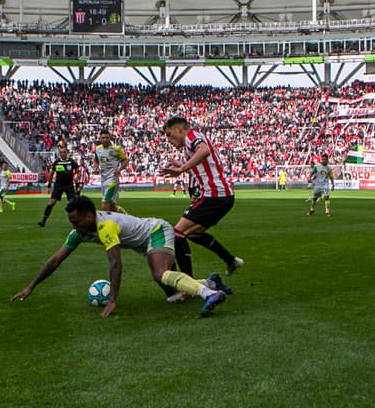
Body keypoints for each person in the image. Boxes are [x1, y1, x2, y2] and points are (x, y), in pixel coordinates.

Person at [12, 196, 229, 318]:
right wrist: (31, 286)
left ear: (90, 216)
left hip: (156, 231)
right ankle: (211, 281)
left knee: (159, 273)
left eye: (77, 221)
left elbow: (115, 263)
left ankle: (209, 293)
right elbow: (55, 260)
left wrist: (114, 299)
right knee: (172, 295)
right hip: (145, 243)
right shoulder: (80, 232)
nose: (74, 226)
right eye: (71, 222)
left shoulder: (105, 226)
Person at [159, 116, 243, 298]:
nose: (169, 139)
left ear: (180, 129)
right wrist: (182, 166)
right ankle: (230, 260)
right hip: (220, 196)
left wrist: (181, 169)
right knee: (194, 234)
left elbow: (204, 151)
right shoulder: (189, 145)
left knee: (177, 234)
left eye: (170, 134)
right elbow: (205, 164)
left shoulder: (192, 136)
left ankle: (188, 287)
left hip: (215, 195)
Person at [37, 144, 79, 227]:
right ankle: (43, 220)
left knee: (72, 204)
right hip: (58, 185)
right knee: (51, 203)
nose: (63, 154)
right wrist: (49, 185)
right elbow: (52, 174)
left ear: (67, 153)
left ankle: (75, 223)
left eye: (64, 152)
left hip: (69, 185)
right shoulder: (57, 162)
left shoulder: (71, 161)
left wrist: (76, 180)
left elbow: (78, 171)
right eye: (61, 152)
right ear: (59, 154)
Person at [93, 128, 130, 213]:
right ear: (100, 138)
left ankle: (107, 224)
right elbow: (96, 159)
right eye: (103, 138)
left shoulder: (116, 149)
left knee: (105, 204)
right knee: (111, 204)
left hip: (113, 179)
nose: (105, 139)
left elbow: (125, 160)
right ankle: (121, 213)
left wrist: (120, 169)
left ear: (110, 138)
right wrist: (95, 167)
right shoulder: (98, 149)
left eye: (107, 137)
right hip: (104, 179)